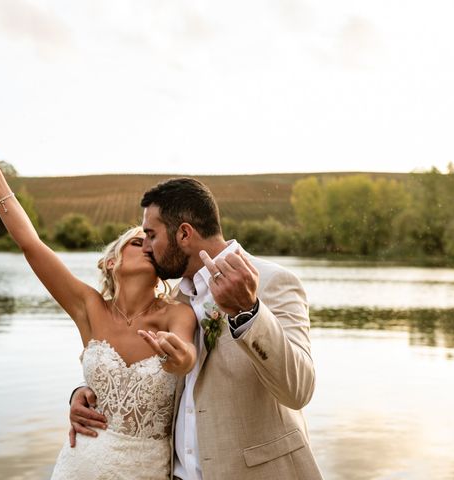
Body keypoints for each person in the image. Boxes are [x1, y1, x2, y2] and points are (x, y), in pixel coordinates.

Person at [70, 177, 323, 479]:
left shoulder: (272, 281)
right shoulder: (174, 302)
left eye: (151, 235)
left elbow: (299, 390)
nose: (147, 247)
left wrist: (249, 312)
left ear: (184, 234)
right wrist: (86, 393)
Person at [0, 144, 198, 479]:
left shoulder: (176, 313)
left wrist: (180, 358)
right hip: (80, 465)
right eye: (137, 242)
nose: (148, 246)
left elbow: (186, 355)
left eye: (150, 240)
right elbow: (31, 244)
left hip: (146, 470)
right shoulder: (89, 307)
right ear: (110, 262)